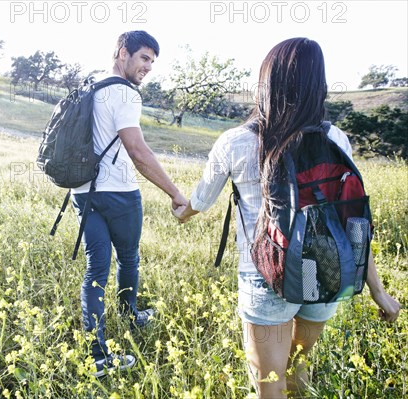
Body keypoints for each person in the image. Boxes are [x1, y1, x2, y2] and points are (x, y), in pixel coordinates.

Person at [172, 37, 401, 398]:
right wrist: (378, 290)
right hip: (327, 270)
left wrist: (181, 210)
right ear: (318, 85)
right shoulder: (336, 139)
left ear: (266, 83)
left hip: (267, 274)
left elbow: (199, 201)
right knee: (298, 365)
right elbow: (351, 220)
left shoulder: (235, 142)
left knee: (268, 382)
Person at [70, 30, 188, 377]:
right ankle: (130, 314)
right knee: (129, 257)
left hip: (82, 190)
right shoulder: (124, 93)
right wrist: (175, 193)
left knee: (95, 269)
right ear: (123, 53)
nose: (148, 66)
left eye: (152, 60)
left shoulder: (91, 85)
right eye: (144, 58)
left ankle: (98, 358)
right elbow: (137, 151)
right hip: (119, 193)